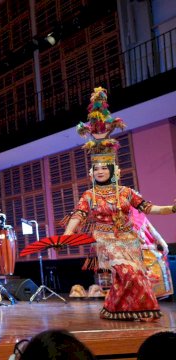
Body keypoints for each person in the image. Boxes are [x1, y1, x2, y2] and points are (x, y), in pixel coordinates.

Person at [63, 87, 176, 321]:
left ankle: (115, 309)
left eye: (105, 167)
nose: (101, 170)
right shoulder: (90, 195)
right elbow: (79, 215)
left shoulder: (126, 192)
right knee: (129, 272)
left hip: (128, 238)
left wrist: (171, 209)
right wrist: (67, 233)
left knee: (131, 276)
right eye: (98, 168)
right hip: (105, 238)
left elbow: (149, 208)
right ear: (92, 171)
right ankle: (137, 310)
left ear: (113, 170)